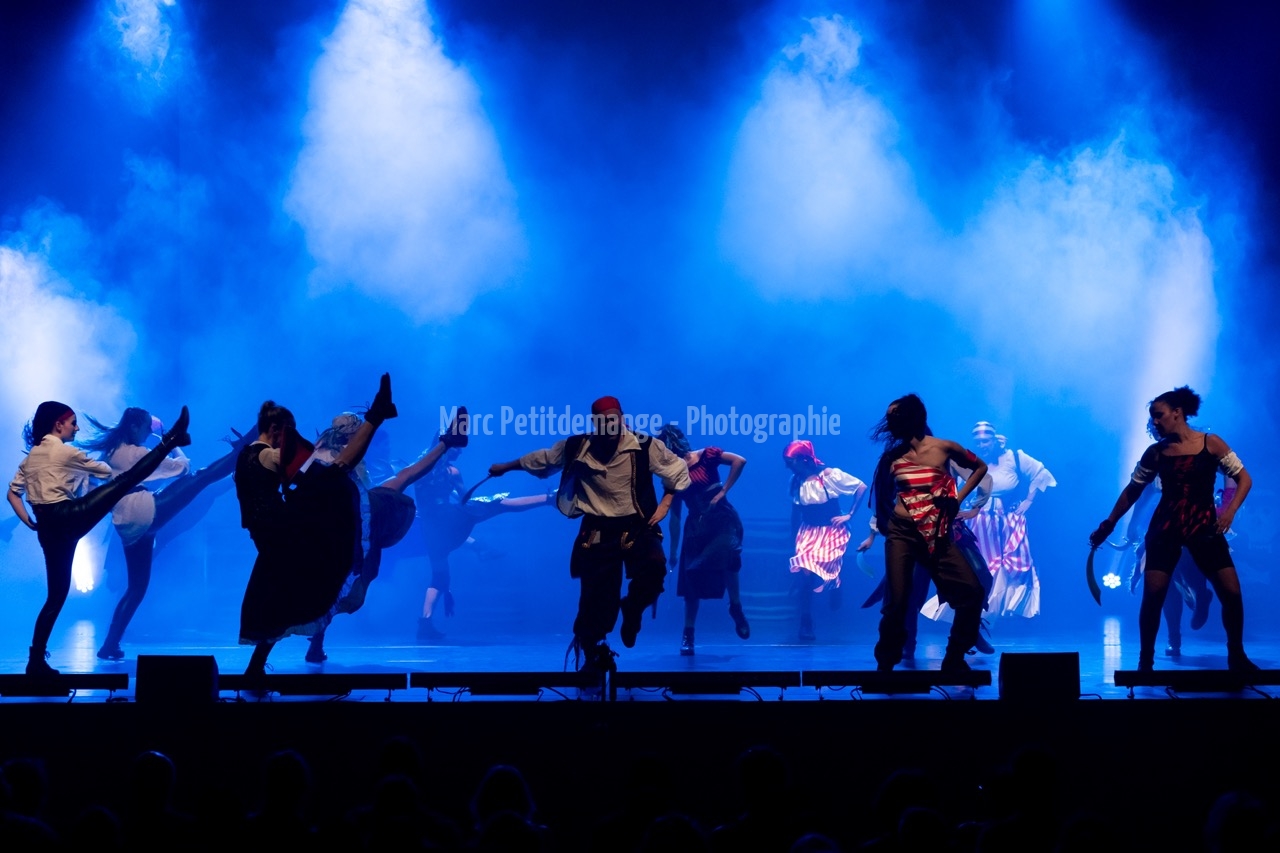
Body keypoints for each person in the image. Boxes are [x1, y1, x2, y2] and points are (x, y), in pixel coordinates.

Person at [488, 396, 690, 674]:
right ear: (596, 424)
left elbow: (677, 469)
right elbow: (544, 458)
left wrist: (666, 502)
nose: (611, 426)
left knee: (654, 569)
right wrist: (506, 467)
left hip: (637, 525)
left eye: (615, 420)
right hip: (599, 528)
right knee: (597, 597)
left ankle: (632, 609)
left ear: (622, 419)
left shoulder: (644, 445)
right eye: (604, 422)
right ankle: (593, 652)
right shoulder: (579, 446)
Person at [8, 402, 190, 676]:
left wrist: (30, 521)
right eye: (72, 423)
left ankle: (35, 660)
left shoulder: (30, 458)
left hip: (48, 529)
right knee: (125, 480)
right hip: (70, 517)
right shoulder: (65, 451)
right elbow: (107, 474)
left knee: (55, 597)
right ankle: (170, 440)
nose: (76, 428)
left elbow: (13, 494)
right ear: (58, 425)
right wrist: (111, 471)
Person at [235, 374, 396, 676]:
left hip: (270, 536)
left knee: (276, 598)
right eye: (288, 433)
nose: (288, 440)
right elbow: (314, 471)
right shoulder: (269, 456)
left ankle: (255, 668)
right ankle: (375, 417)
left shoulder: (245, 456)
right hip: (282, 532)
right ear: (275, 429)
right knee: (337, 471)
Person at [1089, 387, 1256, 671]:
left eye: (1159, 415)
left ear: (1177, 412)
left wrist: (1228, 513)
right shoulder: (1156, 453)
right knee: (1154, 596)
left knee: (1232, 593)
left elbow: (1244, 479)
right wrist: (1109, 523)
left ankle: (1237, 656)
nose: (1154, 422)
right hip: (1166, 527)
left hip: (1204, 526)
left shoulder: (1211, 443)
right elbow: (1133, 491)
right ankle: (1145, 661)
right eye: (1152, 417)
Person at [80, 407, 252, 660]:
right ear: (134, 427)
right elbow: (182, 468)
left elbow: (95, 483)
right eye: (146, 428)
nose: (148, 433)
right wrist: (173, 445)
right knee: (201, 477)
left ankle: (110, 645)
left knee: (136, 589)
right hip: (143, 510)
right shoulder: (137, 453)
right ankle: (244, 449)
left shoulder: (111, 452)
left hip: (126, 524)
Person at [301, 409, 468, 662]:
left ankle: (316, 644)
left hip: (344, 512)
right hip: (345, 515)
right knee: (406, 476)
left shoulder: (321, 450)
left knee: (328, 586)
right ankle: (446, 443)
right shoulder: (344, 453)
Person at [867, 394, 988, 673]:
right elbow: (881, 498)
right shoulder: (892, 458)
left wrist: (957, 499)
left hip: (937, 533)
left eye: (895, 416)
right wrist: (880, 529)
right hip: (902, 533)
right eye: (889, 416)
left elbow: (980, 467)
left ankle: (954, 657)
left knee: (972, 592)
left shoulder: (944, 447)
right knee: (897, 601)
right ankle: (886, 662)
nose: (890, 421)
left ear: (914, 417)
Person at [414, 445, 555, 642]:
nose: (460, 452)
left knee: (439, 576)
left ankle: (425, 623)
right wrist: (458, 492)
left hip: (431, 531)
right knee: (499, 503)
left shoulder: (419, 468)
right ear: (446, 447)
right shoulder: (451, 472)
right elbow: (465, 498)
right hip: (449, 521)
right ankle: (550, 498)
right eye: (457, 448)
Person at [655, 424, 749, 656]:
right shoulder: (672, 474)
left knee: (730, 555)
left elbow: (740, 461)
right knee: (692, 579)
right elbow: (675, 517)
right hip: (697, 526)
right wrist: (673, 552)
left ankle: (735, 606)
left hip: (721, 518)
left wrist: (723, 490)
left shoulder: (706, 455)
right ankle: (688, 634)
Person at [966, 422, 1056, 619]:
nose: (982, 445)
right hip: (979, 523)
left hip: (1008, 522)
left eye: (986, 441)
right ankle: (981, 615)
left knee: (1012, 566)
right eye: (978, 442)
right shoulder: (970, 462)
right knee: (981, 566)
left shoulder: (1013, 457)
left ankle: (1008, 613)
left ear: (994, 440)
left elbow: (1040, 473)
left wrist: (1029, 500)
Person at [783, 440, 866, 643]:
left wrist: (850, 514)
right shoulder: (795, 480)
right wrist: (793, 540)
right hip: (808, 531)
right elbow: (795, 512)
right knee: (805, 574)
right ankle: (806, 621)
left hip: (831, 530)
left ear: (803, 459)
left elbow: (861, 487)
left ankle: (835, 583)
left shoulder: (828, 475)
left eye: (791, 462)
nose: (788, 466)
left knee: (829, 566)